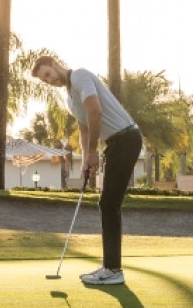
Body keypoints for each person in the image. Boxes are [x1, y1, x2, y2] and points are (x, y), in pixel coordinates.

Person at [30, 56, 142, 286]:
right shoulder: (69, 99)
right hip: (115, 143)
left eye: (48, 75)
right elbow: (83, 128)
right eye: (44, 80)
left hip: (126, 138)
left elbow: (95, 112)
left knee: (109, 203)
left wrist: (93, 151)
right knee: (107, 203)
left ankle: (113, 269)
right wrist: (85, 158)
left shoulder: (80, 76)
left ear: (55, 64)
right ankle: (110, 267)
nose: (49, 81)